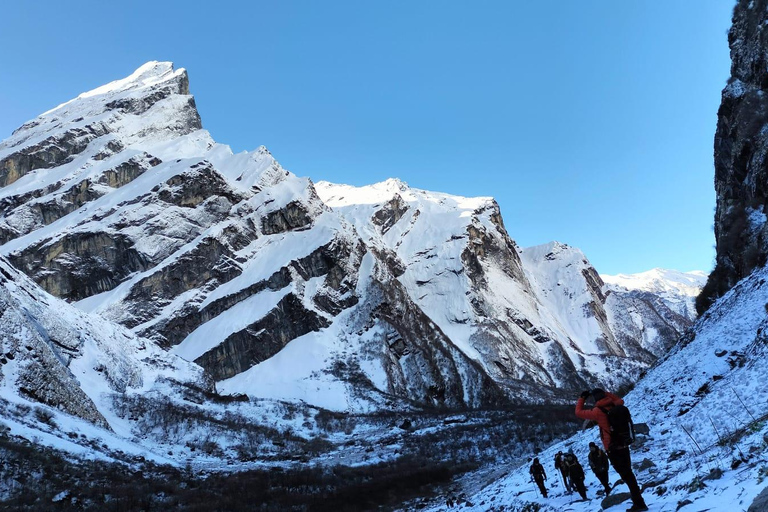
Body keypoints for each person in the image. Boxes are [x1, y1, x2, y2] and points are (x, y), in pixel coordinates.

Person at [576, 388, 648, 512]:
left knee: (627, 476)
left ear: (595, 399)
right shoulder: (617, 404)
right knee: (629, 474)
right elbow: (620, 399)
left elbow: (578, 412)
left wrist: (582, 398)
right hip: (624, 445)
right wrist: (607, 394)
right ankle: (638, 500)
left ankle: (639, 503)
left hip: (612, 449)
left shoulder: (597, 412)